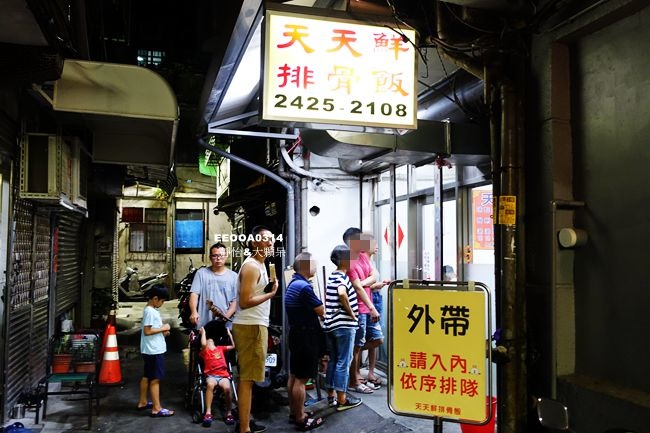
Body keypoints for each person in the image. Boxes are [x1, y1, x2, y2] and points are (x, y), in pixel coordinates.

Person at [231, 225, 278, 433]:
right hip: (250, 327)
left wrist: (268, 289)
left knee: (250, 379)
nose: (270, 243)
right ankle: (244, 428)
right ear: (253, 243)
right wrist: (271, 294)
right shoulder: (251, 266)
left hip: (256, 325)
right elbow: (245, 301)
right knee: (247, 380)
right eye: (265, 239)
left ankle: (245, 422)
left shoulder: (261, 265)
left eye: (272, 239)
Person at [285, 252, 325, 431]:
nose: (315, 267)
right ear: (306, 266)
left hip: (296, 335)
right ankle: (301, 417)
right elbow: (321, 310)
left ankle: (294, 413)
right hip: (305, 337)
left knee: (294, 376)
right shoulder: (304, 287)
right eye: (313, 264)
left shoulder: (293, 284)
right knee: (301, 379)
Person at [324, 245, 363, 412]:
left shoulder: (333, 276)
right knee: (343, 362)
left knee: (334, 360)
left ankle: (331, 396)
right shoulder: (342, 278)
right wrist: (353, 314)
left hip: (331, 325)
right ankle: (342, 399)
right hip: (344, 325)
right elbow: (342, 294)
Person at [342, 227, 381, 394]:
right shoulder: (349, 260)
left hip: (367, 305)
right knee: (356, 346)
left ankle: (356, 376)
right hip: (358, 307)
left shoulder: (363, 256)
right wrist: (371, 306)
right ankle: (353, 381)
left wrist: (362, 283)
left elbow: (373, 277)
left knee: (375, 340)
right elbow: (356, 288)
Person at [138, 284, 175, 417]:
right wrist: (164, 328)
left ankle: (143, 402)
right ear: (155, 298)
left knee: (147, 375)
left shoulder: (150, 310)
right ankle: (156, 408)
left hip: (149, 348)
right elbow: (147, 331)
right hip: (154, 350)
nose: (162, 303)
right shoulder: (150, 311)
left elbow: (151, 330)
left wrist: (162, 332)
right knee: (155, 379)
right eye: (162, 301)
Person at [189, 242, 239, 329]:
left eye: (221, 255)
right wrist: (194, 312)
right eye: (215, 256)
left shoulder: (234, 276)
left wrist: (225, 317)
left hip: (226, 325)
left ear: (226, 256)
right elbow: (194, 294)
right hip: (205, 323)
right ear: (210, 257)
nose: (218, 258)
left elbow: (235, 300)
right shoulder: (201, 273)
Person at [199, 325, 236, 427]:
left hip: (223, 375)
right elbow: (202, 343)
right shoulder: (205, 351)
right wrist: (203, 333)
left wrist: (230, 335)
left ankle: (229, 413)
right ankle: (208, 412)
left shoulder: (220, 348)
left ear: (215, 343)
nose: (209, 342)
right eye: (207, 341)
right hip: (211, 375)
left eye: (211, 341)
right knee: (210, 385)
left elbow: (233, 346)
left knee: (227, 388)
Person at [366, 237, 390, 388]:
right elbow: (363, 284)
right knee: (375, 338)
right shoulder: (364, 262)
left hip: (376, 297)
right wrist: (378, 284)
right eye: (374, 244)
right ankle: (360, 371)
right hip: (371, 299)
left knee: (373, 339)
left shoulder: (372, 261)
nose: (377, 247)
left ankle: (371, 372)